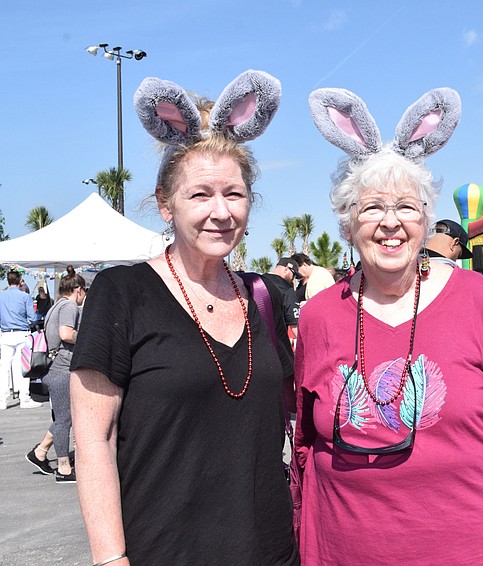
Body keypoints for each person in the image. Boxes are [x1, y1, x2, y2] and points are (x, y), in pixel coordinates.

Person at [298, 86, 483, 565]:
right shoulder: (320, 315)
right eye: (371, 207)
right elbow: (304, 445)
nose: (390, 222)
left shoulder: (477, 301)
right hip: (350, 551)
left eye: (406, 207)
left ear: (426, 220)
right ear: (347, 223)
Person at [69, 71, 299, 565]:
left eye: (233, 194)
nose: (220, 211)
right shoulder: (121, 294)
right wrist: (110, 558)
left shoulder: (264, 295)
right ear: (164, 204)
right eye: (200, 194)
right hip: (164, 551)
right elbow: (93, 439)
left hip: (272, 551)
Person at [26, 266, 88, 483]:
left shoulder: (55, 306)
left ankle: (40, 452)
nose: (84, 297)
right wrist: (88, 338)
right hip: (61, 369)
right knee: (64, 419)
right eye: (84, 291)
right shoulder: (70, 306)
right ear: (78, 289)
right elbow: (66, 334)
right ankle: (63, 467)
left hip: (54, 368)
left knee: (64, 417)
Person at [1, 270, 41, 409]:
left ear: (8, 281)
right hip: (21, 332)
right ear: (20, 281)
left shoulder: (1, 296)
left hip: (6, 333)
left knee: (4, 367)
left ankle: (2, 400)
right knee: (23, 366)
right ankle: (25, 398)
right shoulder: (24, 296)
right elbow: (33, 317)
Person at [268, 257, 303, 347]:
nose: (293, 279)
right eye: (293, 275)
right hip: (276, 345)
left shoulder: (257, 282)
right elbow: (294, 323)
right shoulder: (286, 289)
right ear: (286, 269)